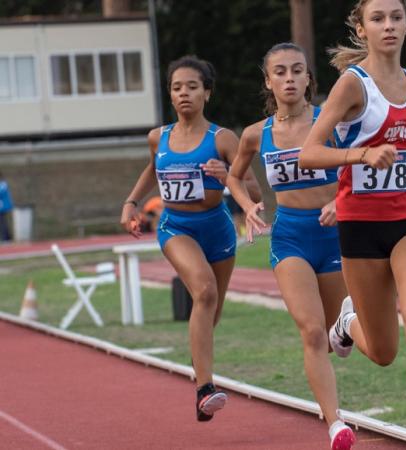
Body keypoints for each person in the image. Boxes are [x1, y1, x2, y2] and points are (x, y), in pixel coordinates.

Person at [298, 1, 406, 449]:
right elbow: (309, 152)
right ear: (362, 29)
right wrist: (361, 154)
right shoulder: (352, 86)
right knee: (382, 351)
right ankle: (347, 322)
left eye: (396, 17)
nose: (389, 25)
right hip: (360, 224)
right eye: (378, 18)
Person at [225, 43, 355, 450]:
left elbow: (356, 164)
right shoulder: (255, 135)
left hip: (335, 235)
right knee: (311, 331)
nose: (289, 79)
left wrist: (340, 199)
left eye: (297, 71)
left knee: (338, 336)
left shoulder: (329, 121)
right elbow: (234, 178)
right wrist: (247, 206)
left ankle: (343, 333)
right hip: (290, 236)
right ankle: (336, 424)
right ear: (268, 81)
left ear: (308, 79)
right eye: (279, 72)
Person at [120, 55, 260, 423]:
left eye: (192, 87)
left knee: (212, 310)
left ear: (207, 93)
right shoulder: (158, 137)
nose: (184, 94)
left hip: (218, 229)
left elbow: (255, 191)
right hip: (176, 227)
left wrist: (227, 172)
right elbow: (153, 168)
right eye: (177, 87)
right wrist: (131, 203)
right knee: (205, 292)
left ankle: (199, 365)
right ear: (170, 94)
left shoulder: (224, 138)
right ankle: (205, 389)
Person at [0, 172, 13, 241]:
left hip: (3, 207)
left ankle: (5, 237)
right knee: (3, 222)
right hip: (2, 206)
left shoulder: (3, 184)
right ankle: (7, 236)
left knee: (2, 222)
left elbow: (1, 193)